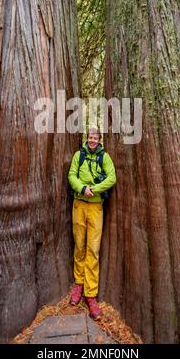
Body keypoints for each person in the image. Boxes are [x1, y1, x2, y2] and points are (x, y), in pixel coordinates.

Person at [68, 127, 117, 319]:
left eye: (95, 138)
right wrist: (82, 188)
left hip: (96, 207)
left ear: (100, 139)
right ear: (86, 138)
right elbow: (72, 175)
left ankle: (91, 295)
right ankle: (78, 285)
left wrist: (94, 189)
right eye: (90, 137)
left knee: (93, 251)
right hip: (79, 205)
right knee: (79, 246)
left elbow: (112, 177)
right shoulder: (78, 156)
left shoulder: (104, 157)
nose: (92, 141)